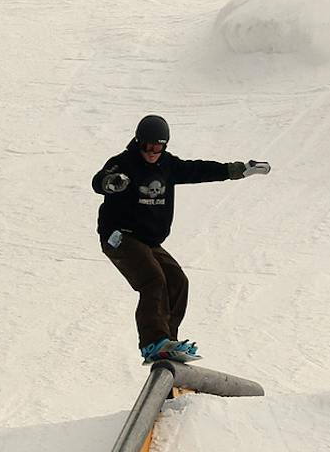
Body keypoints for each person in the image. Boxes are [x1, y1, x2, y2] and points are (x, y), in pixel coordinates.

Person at [92, 114, 270, 363]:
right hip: (119, 236)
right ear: (138, 141)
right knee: (152, 279)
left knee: (177, 281)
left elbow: (199, 169)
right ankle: (153, 342)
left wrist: (237, 170)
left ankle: (167, 342)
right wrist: (111, 183)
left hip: (149, 241)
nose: (154, 151)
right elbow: (98, 181)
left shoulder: (168, 165)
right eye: (149, 146)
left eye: (159, 146)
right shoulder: (123, 163)